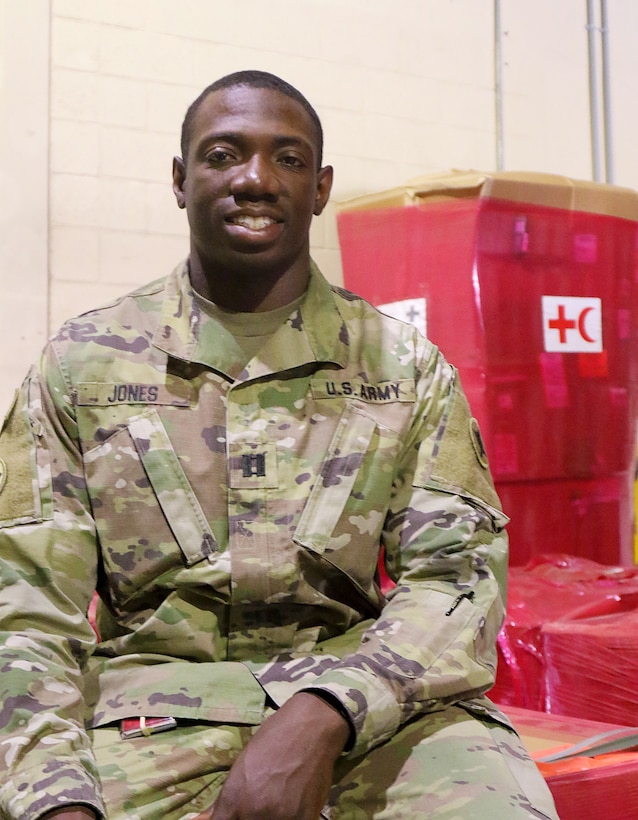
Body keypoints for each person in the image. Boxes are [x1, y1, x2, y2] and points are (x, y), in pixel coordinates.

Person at [0, 70, 558, 819]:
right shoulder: (82, 367)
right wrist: (53, 801)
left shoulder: (403, 367)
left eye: (287, 159)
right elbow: (28, 612)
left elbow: (457, 581)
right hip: (143, 719)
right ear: (179, 178)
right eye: (223, 154)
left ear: (321, 187)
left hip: (373, 709)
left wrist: (325, 710)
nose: (255, 179)